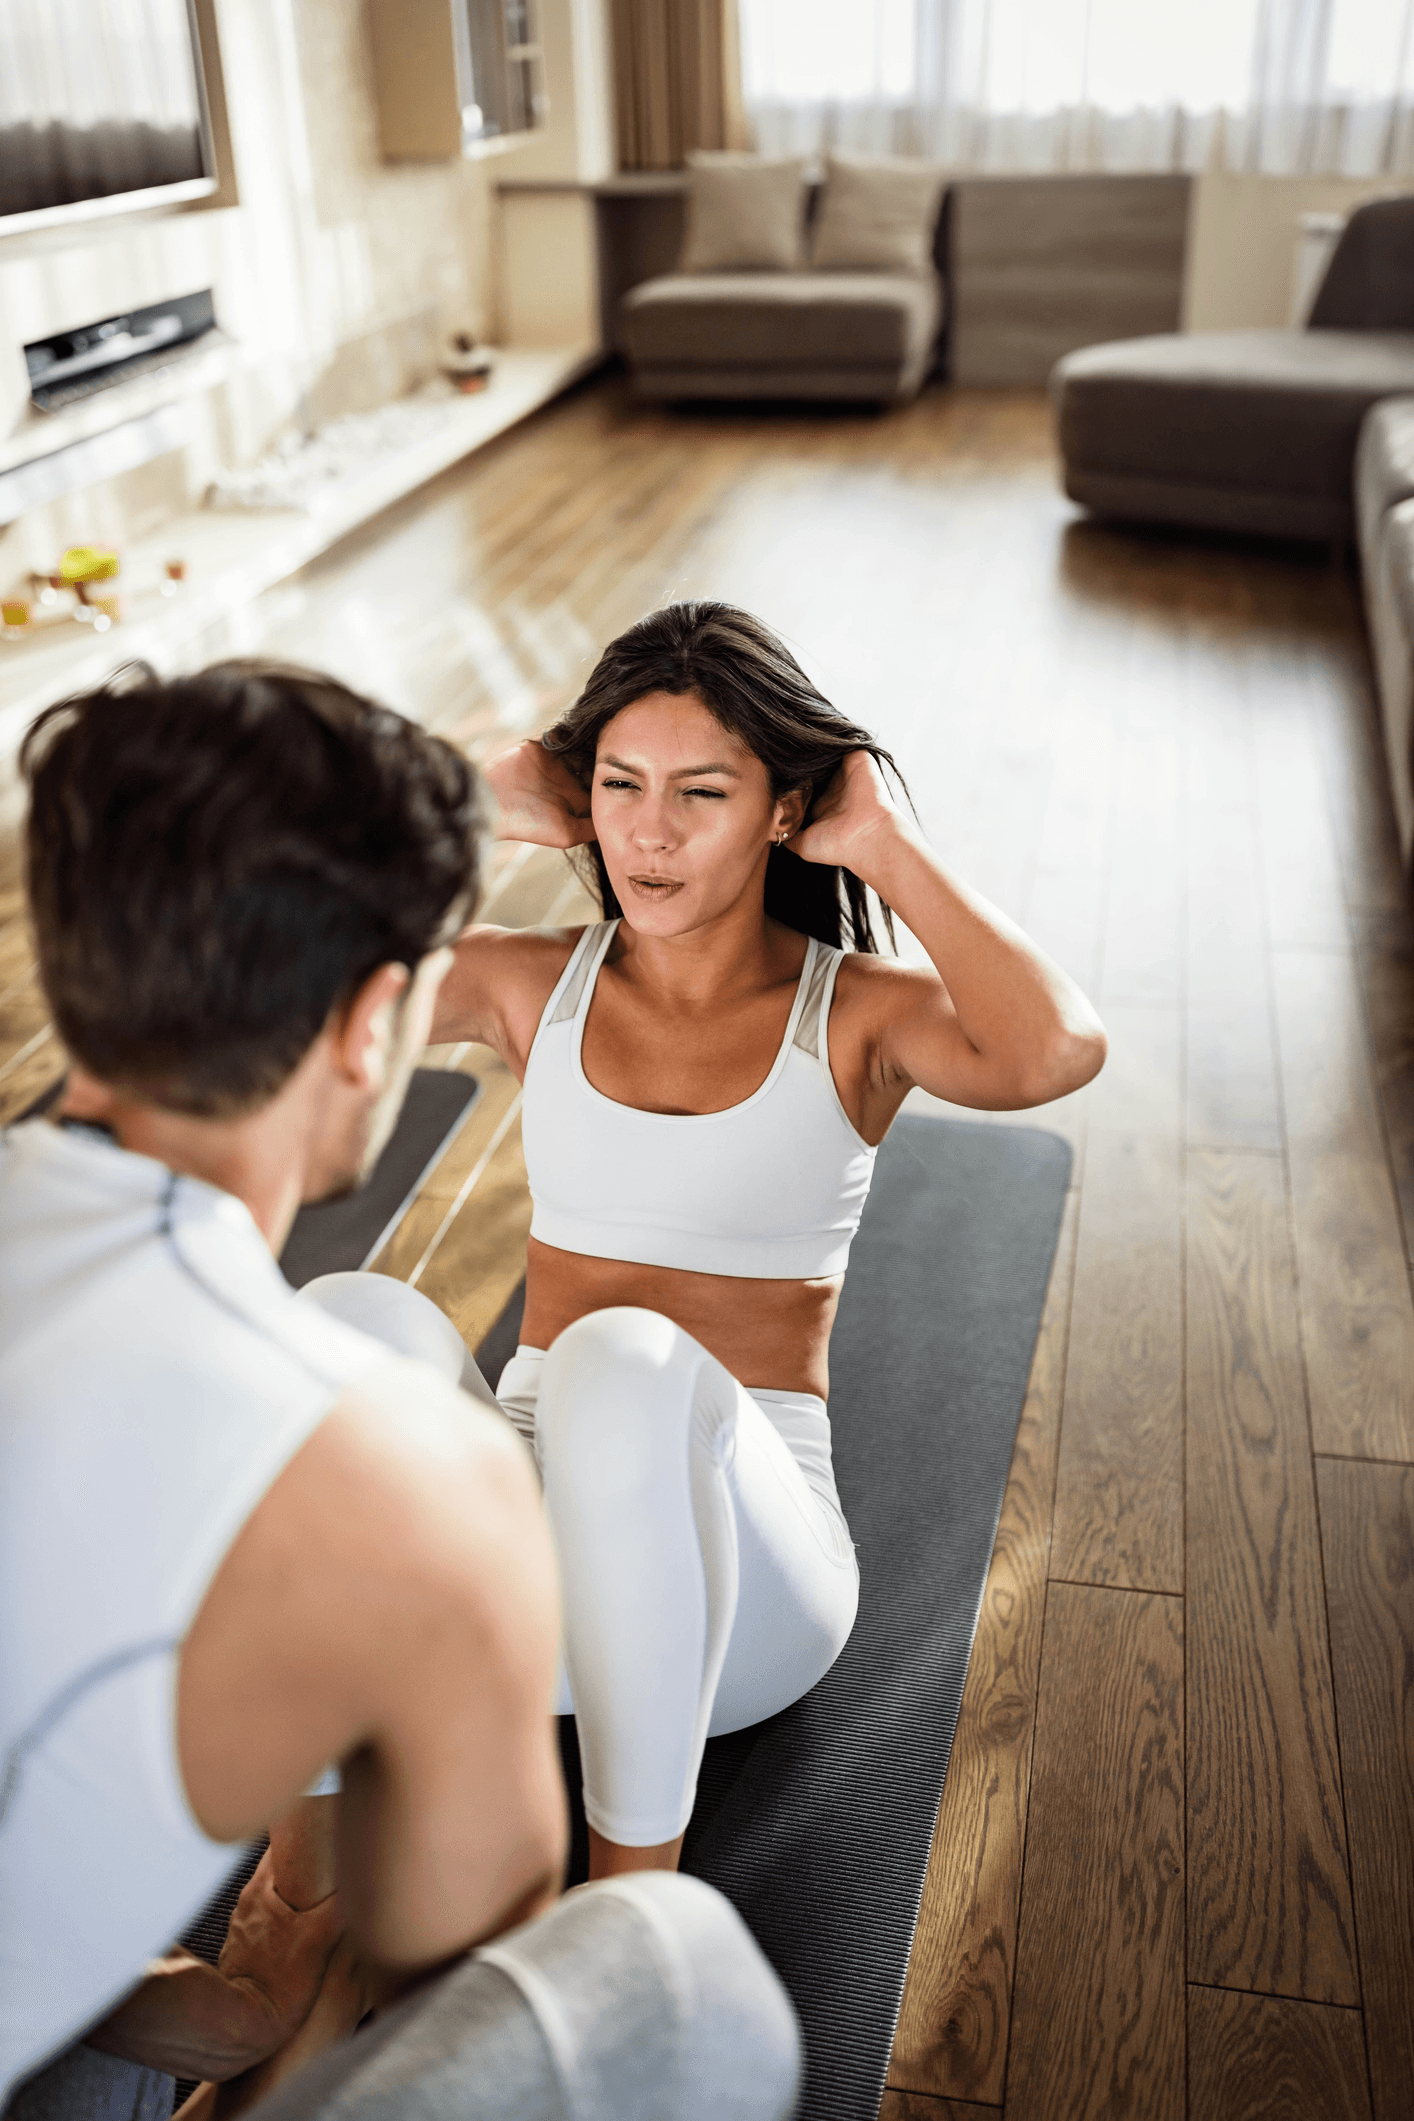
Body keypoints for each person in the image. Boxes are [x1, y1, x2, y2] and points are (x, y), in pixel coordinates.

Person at [0, 661, 801, 2121]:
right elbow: (453, 1987)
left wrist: (199, 2012)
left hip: (66, 1998)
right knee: (670, 1968)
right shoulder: (404, 1485)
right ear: (376, 1024)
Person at [430, 600, 1108, 1882]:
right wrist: (468, 803)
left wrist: (886, 846)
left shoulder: (851, 1013)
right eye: (619, 785)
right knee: (364, 1327)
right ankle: (299, 1906)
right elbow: (267, 964)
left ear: (782, 813)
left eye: (701, 792)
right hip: (519, 1561)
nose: (649, 829)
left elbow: (1052, 1050)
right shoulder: (530, 983)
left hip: (738, 1590)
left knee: (620, 1363)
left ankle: (627, 1911)